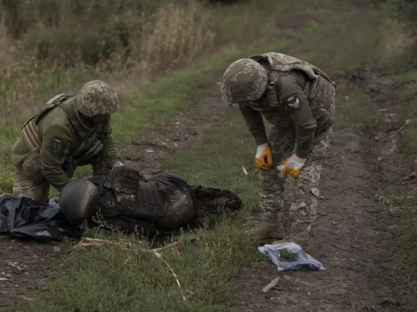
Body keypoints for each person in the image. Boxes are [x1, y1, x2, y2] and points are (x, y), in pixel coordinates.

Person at [220, 52, 335, 249]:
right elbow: (247, 109)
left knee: (305, 172)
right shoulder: (247, 83)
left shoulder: (287, 86)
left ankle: (300, 235)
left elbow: (307, 125)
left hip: (315, 116)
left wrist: (298, 157)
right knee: (268, 162)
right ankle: (271, 223)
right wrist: (261, 144)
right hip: (285, 118)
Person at [0, 80, 123, 212]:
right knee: (25, 212)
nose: (107, 117)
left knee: (102, 153)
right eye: (104, 114)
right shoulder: (60, 126)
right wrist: (77, 194)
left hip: (61, 155)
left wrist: (116, 163)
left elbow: (105, 137)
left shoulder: (96, 115)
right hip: (34, 162)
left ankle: (103, 197)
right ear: (89, 111)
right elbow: (49, 167)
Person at [59, 166, 243, 236]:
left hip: (173, 211)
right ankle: (203, 198)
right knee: (192, 196)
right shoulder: (103, 182)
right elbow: (133, 175)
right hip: (171, 183)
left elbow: (147, 230)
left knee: (175, 212)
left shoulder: (108, 217)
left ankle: (202, 202)